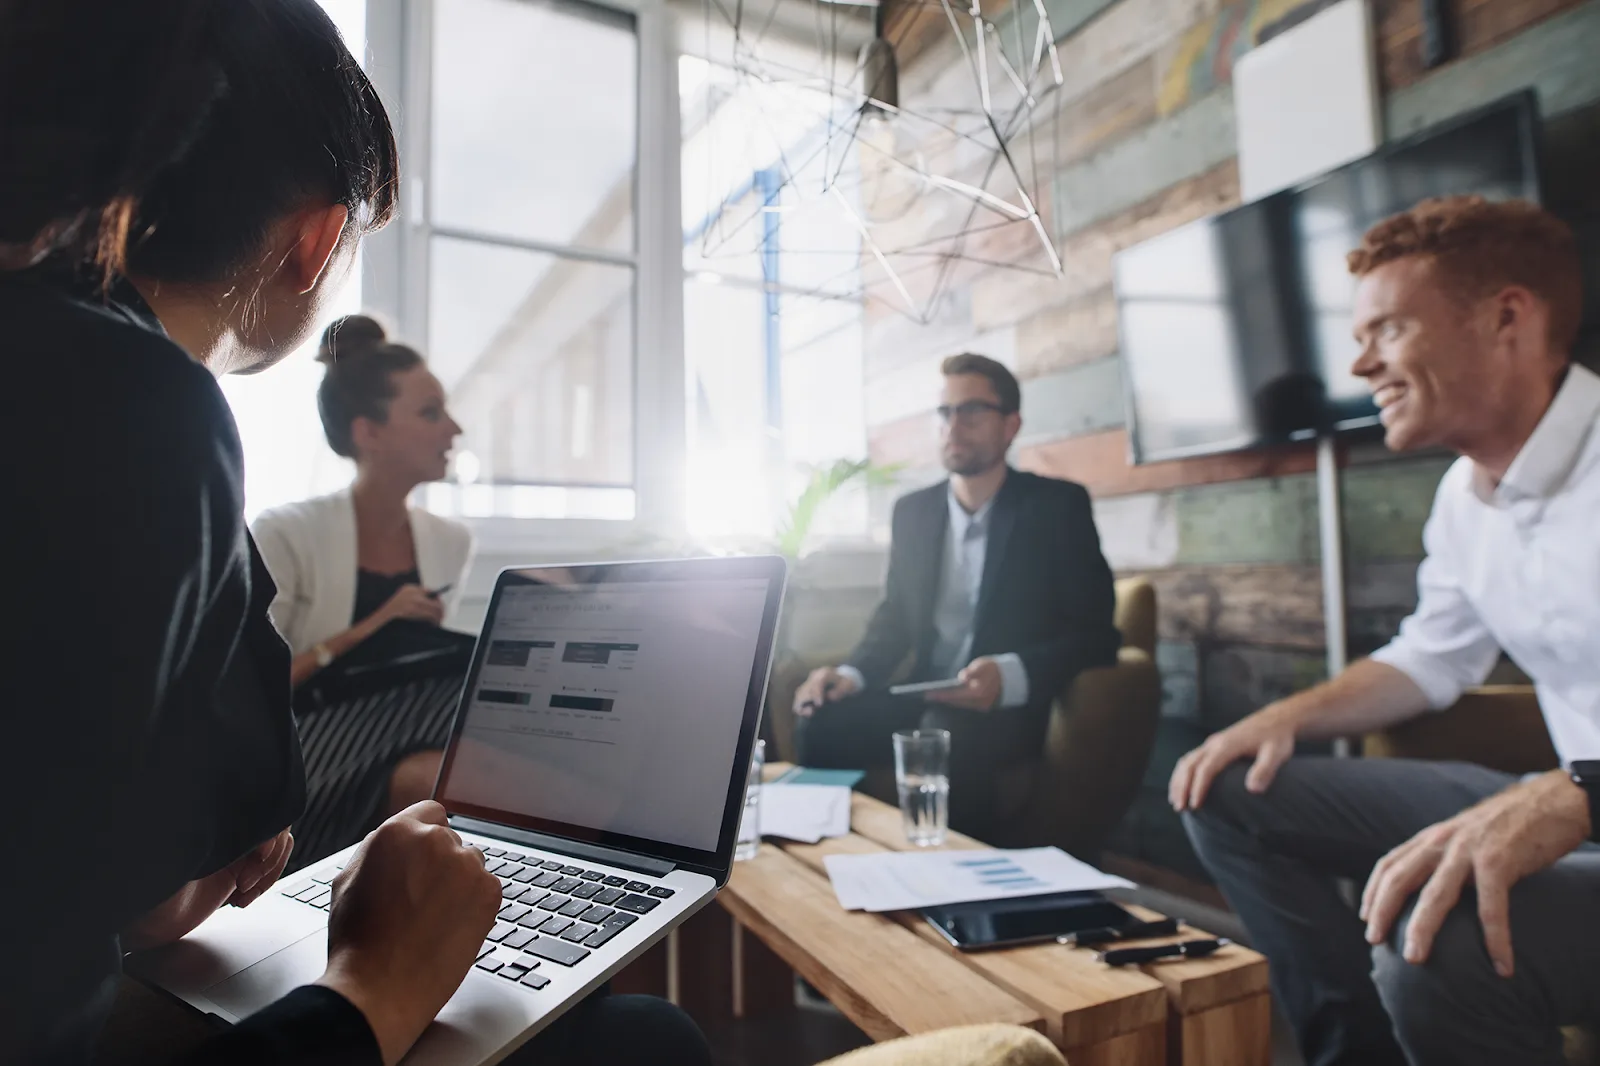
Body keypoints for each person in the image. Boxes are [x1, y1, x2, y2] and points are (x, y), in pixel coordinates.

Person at [0, 3, 710, 1064]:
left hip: (180, 905)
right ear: (317, 239)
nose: (453, 427)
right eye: (430, 412)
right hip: (286, 847)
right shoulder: (137, 409)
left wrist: (144, 886)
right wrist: (368, 988)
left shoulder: (71, 371)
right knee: (647, 1043)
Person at [1169, 197, 1597, 1066]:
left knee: (1438, 940)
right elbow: (1431, 656)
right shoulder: (1462, 498)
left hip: (1578, 802)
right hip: (1562, 798)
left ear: (1506, 317)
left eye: (1389, 329)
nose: (1360, 363)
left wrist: (1579, 791)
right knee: (1223, 784)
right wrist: (1281, 718)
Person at [792, 353, 1121, 839]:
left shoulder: (1056, 508)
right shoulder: (914, 513)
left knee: (946, 732)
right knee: (822, 721)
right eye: (945, 412)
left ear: (1011, 425)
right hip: (923, 692)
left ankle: (959, 897)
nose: (954, 426)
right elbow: (895, 621)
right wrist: (849, 674)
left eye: (971, 410)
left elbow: (1096, 636)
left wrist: (1010, 673)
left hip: (1004, 710)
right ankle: (828, 865)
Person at [254, 314, 472, 825]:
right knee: (440, 779)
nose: (455, 428)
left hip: (407, 720)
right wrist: (376, 627)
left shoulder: (450, 542)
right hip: (305, 738)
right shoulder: (285, 533)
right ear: (369, 432)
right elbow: (252, 692)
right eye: (431, 412)